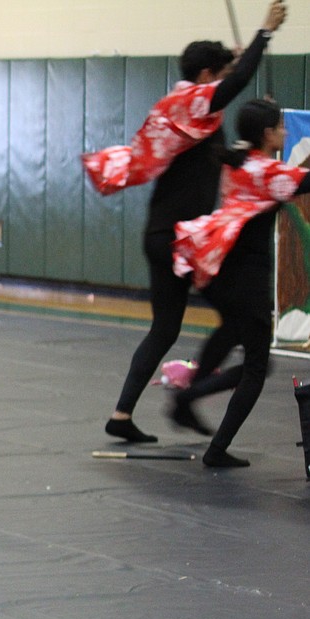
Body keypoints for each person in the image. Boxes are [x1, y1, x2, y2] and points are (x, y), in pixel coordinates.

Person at [86, 0, 286, 443]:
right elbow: (231, 86)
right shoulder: (189, 103)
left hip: (165, 235)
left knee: (166, 327)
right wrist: (264, 35)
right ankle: (190, 396)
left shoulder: (189, 118)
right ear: (203, 77)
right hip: (180, 241)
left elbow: (224, 148)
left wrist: (242, 74)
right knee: (236, 320)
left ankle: (122, 414)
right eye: (217, 75)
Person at [171, 99, 310, 467]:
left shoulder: (238, 161)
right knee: (257, 368)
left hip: (221, 270)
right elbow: (304, 181)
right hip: (247, 276)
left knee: (231, 331)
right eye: (280, 126)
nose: (284, 131)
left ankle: (188, 399)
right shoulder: (266, 171)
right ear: (267, 134)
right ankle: (211, 439)